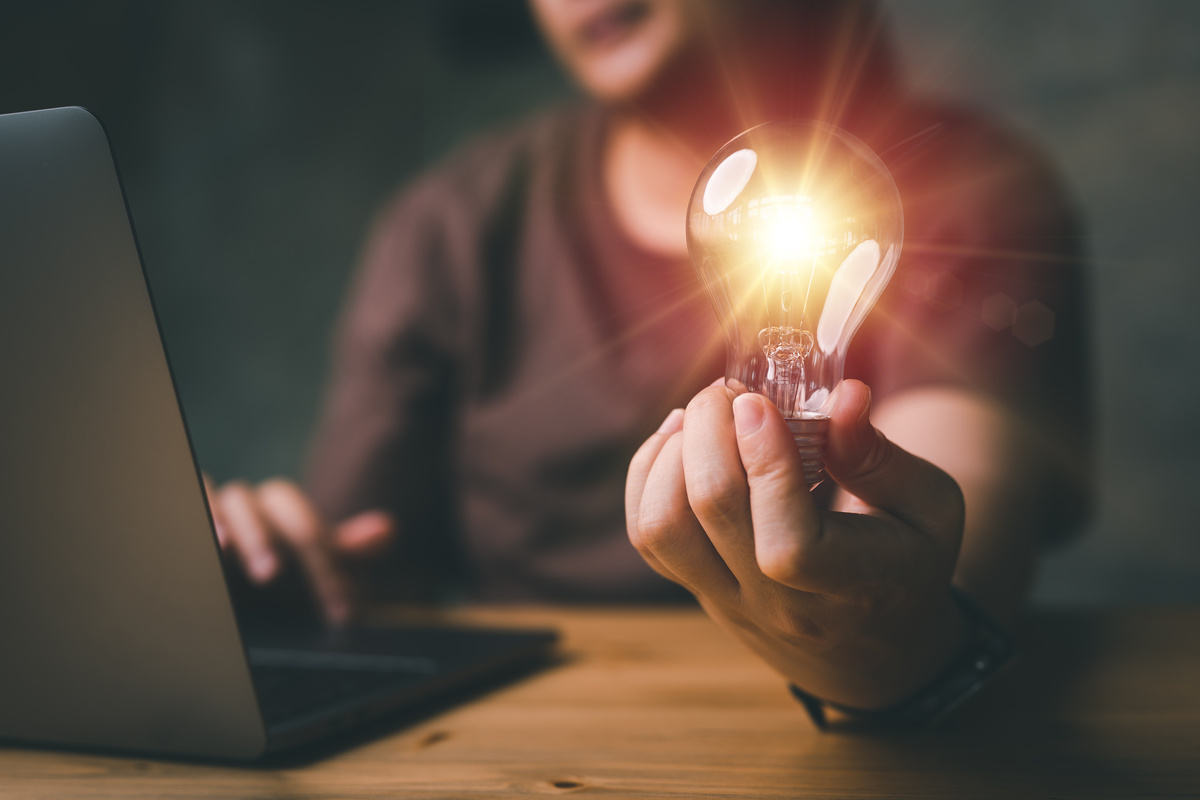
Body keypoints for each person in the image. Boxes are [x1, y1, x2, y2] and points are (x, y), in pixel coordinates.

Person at [208, 0, 1091, 714]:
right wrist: (258, 572)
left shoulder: (970, 192)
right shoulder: (453, 226)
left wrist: (887, 630)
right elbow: (362, 558)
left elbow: (958, 524)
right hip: (529, 730)